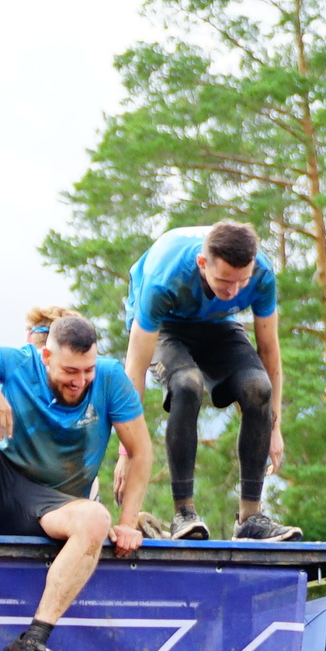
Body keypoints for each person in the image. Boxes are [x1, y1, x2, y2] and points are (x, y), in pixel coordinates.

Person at [0, 313, 151, 651]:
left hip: (55, 503)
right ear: (46, 357)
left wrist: (127, 522)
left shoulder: (111, 378)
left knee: (96, 518)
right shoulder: (18, 362)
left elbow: (140, 451)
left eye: (87, 370)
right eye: (70, 371)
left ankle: (33, 640)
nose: (80, 381)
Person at [120, 221, 298, 543]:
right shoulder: (165, 277)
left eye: (240, 282)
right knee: (187, 385)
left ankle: (250, 519)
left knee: (258, 389)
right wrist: (125, 449)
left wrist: (275, 425)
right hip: (166, 327)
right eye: (224, 281)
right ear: (203, 264)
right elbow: (135, 365)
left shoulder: (261, 274)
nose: (233, 291)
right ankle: (183, 513)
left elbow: (269, 349)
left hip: (217, 326)